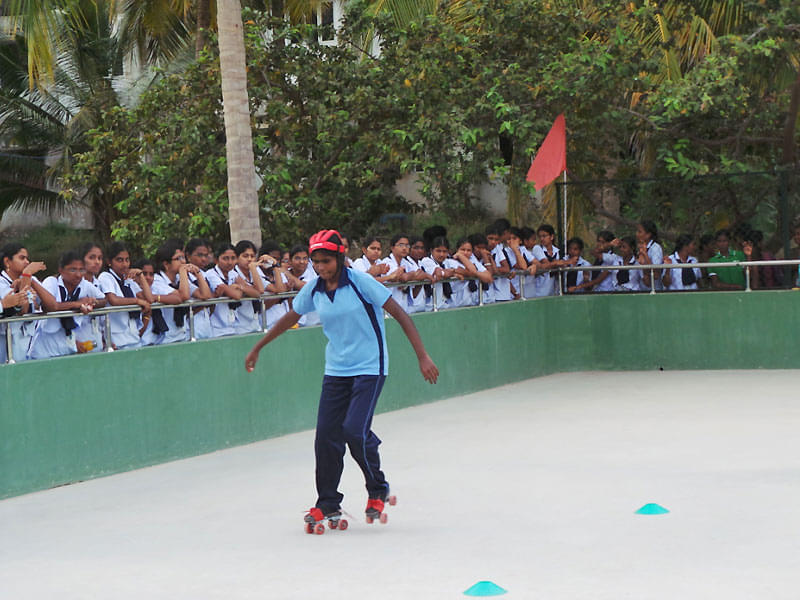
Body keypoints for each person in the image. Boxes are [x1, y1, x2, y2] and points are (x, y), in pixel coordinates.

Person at [244, 230, 438, 530]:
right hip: (336, 370)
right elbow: (290, 316)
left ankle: (377, 489)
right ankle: (328, 503)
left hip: (370, 368)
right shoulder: (315, 289)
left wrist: (422, 356)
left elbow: (400, 314)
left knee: (353, 431)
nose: (321, 267)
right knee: (325, 437)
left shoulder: (362, 283)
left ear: (340, 258)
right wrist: (259, 346)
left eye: (326, 261)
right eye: (316, 261)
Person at [28, 250, 106, 360]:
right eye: (72, 270)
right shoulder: (52, 282)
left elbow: (103, 300)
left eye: (82, 270)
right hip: (45, 350)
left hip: (68, 348)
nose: (78, 275)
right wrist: (76, 304)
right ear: (61, 270)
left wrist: (91, 302)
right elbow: (50, 307)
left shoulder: (84, 285)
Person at [0, 243, 54, 362]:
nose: (27, 262)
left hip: (30, 341)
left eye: (27, 258)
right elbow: (22, 310)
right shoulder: (1, 282)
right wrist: (27, 274)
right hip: (7, 343)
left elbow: (52, 306)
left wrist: (30, 280)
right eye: (21, 258)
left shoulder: (29, 279)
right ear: (7, 262)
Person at [97, 242, 154, 350]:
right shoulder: (106, 277)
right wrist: (137, 301)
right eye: (119, 260)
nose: (124, 264)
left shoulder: (127, 280)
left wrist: (141, 276)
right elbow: (114, 300)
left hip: (133, 338)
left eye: (127, 260)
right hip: (116, 340)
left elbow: (149, 299)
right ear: (109, 261)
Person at [204, 243, 244, 338]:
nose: (230, 262)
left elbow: (256, 292)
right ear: (216, 260)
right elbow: (237, 296)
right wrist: (236, 288)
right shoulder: (211, 274)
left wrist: (241, 287)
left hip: (234, 327)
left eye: (233, 258)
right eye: (225, 258)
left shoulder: (233, 273)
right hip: (217, 329)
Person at [77, 242, 105, 352]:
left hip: (96, 343)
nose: (97, 262)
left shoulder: (100, 285)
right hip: (77, 344)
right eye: (92, 258)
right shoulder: (72, 284)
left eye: (100, 258)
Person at [635, 220, 664, 291]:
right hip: (642, 289)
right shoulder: (640, 247)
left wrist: (645, 254)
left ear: (648, 234)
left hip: (654, 291)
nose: (637, 234)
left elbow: (656, 273)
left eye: (640, 232)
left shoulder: (655, 248)